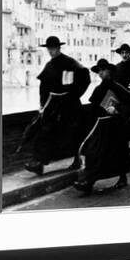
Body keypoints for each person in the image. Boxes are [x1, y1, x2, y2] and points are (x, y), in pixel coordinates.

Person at [22, 36, 91, 175]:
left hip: (70, 104)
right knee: (45, 130)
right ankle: (39, 163)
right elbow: (44, 88)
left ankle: (78, 159)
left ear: (59, 48)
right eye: (49, 49)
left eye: (53, 49)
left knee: (74, 131)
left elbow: (85, 78)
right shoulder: (49, 66)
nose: (51, 52)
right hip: (53, 105)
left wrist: (74, 94)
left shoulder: (70, 63)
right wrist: (42, 105)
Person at [74, 59, 130, 195]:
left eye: (103, 70)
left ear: (110, 71)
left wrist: (117, 108)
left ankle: (122, 177)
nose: (101, 73)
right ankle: (89, 181)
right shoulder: (98, 89)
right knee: (95, 152)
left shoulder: (117, 87)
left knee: (118, 153)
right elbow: (93, 108)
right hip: (101, 126)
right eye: (99, 71)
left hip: (116, 126)